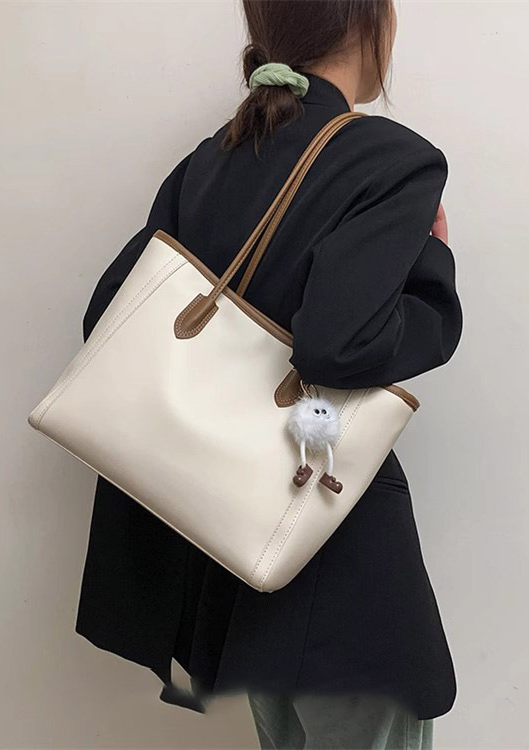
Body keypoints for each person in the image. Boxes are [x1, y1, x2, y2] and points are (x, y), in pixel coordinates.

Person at [74, 1, 463, 747]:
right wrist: (434, 265)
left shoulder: (213, 157)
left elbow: (108, 320)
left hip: (226, 551)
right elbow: (338, 346)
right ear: (368, 21)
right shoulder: (390, 158)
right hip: (324, 540)